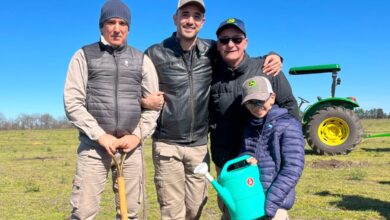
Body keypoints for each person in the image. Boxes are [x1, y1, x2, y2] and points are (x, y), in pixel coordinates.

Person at [142, 1, 283, 219]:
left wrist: (274, 56)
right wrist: (143, 102)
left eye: (196, 16)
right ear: (175, 18)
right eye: (185, 14)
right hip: (167, 144)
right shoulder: (155, 53)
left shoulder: (211, 50)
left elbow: (239, 55)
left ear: (202, 22)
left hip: (199, 145)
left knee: (197, 206)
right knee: (171, 210)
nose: (190, 20)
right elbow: (133, 84)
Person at [63, 0, 160, 219]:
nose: (117, 28)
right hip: (94, 147)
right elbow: (72, 102)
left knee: (132, 213)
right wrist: (100, 136)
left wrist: (137, 136)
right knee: (83, 211)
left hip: (131, 148)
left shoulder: (141, 60)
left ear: (128, 28)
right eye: (111, 22)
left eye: (122, 23)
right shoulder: (83, 56)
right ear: (101, 26)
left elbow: (154, 106)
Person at [209, 17, 300, 220]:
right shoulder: (210, 73)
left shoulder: (266, 68)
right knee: (233, 211)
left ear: (245, 42)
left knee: (268, 209)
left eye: (236, 39)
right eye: (224, 40)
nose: (230, 44)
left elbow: (290, 108)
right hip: (228, 162)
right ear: (218, 45)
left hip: (266, 162)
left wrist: (285, 145)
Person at [240, 76, 305, 220]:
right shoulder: (250, 126)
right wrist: (244, 161)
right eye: (251, 102)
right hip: (253, 202)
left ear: (272, 98)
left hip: (275, 206)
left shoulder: (289, 125)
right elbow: (244, 154)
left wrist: (271, 204)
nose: (256, 107)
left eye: (260, 100)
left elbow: (293, 168)